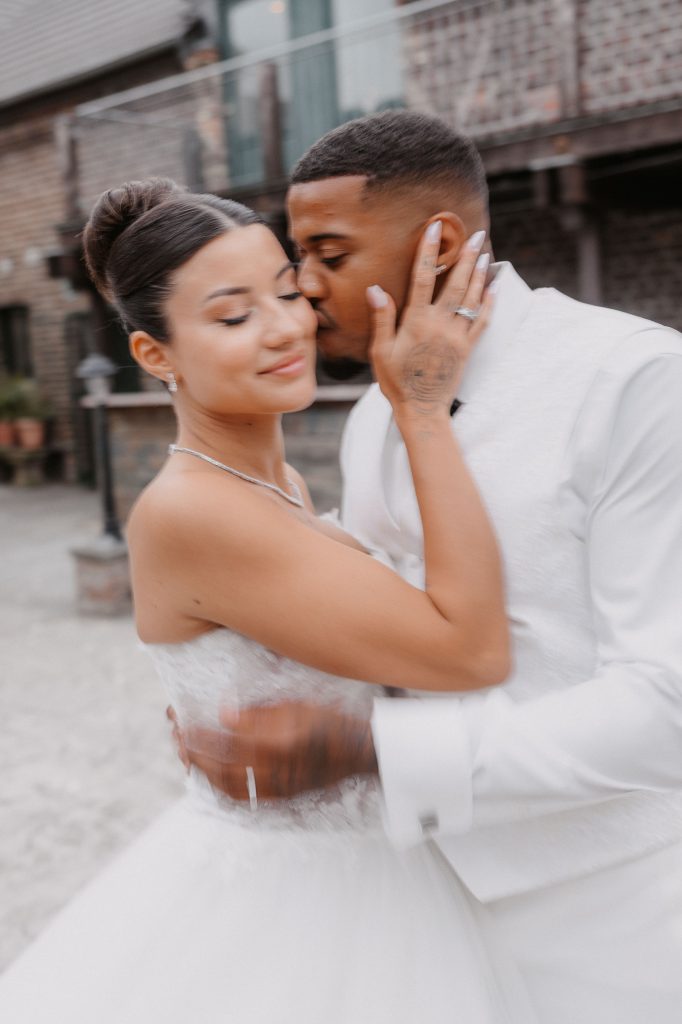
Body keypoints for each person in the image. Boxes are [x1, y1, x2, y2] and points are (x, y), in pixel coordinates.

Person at [0, 178, 538, 1022]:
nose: (286, 327)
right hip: (311, 904)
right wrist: (424, 408)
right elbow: (470, 651)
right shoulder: (195, 512)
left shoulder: (272, 483)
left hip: (381, 867)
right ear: (155, 355)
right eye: (232, 315)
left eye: (288, 292)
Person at [186, 110, 682, 1023]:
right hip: (417, 903)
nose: (302, 286)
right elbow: (381, 597)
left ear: (441, 241)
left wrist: (369, 750)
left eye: (328, 253)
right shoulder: (382, 406)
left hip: (621, 912)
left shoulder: (637, 382)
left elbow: (667, 708)